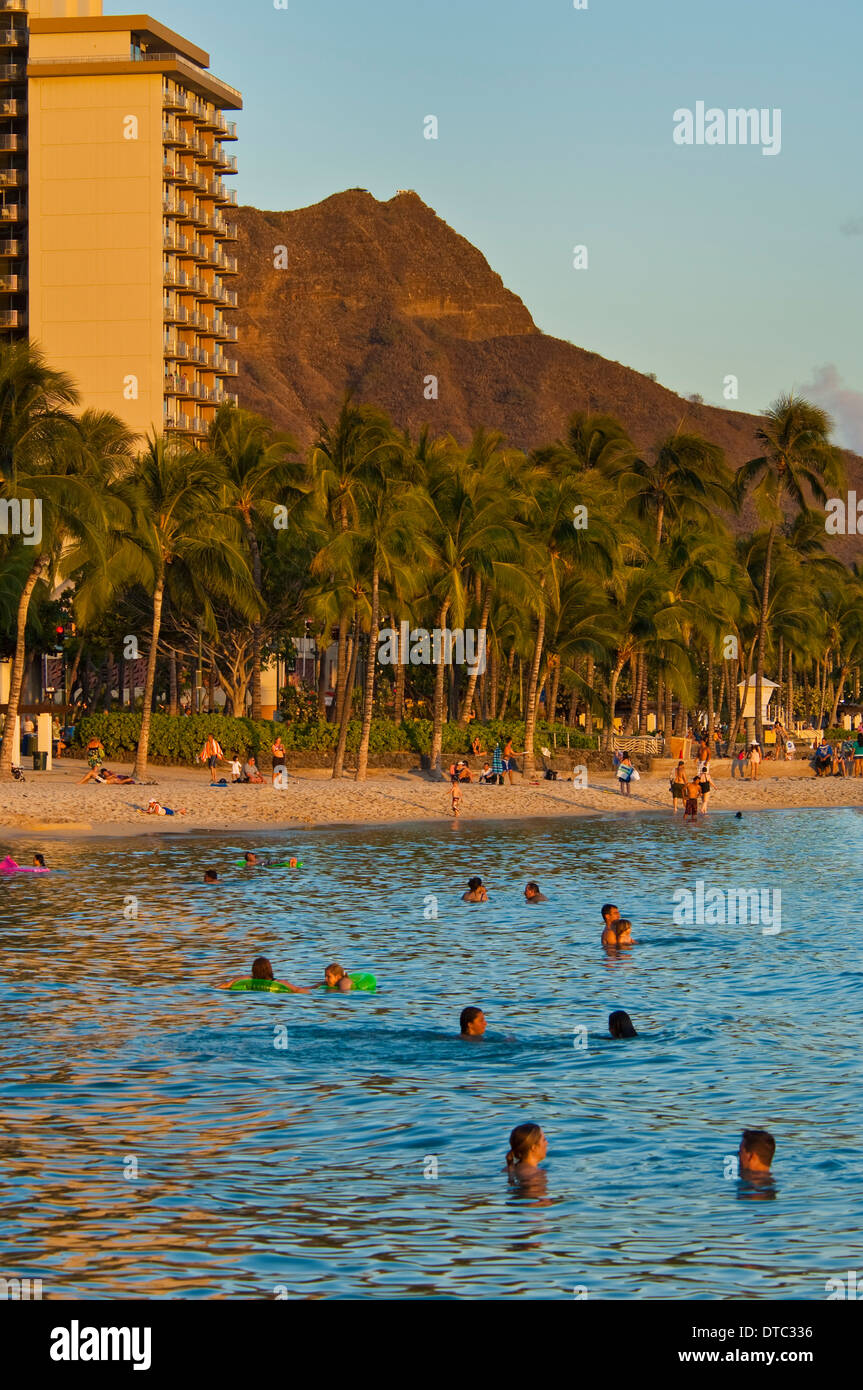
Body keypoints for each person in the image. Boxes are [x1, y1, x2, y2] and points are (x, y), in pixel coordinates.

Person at [223, 956, 310, 993]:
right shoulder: (280, 982)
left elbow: (225, 985)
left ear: (253, 969)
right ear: (270, 969)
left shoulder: (246, 979)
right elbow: (301, 991)